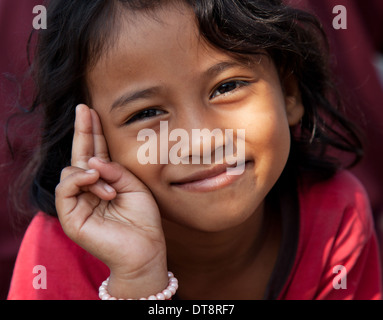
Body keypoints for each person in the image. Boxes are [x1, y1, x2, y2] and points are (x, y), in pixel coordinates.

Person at [7, 0, 382, 300]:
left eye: (227, 87)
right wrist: (138, 278)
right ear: (91, 142)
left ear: (288, 93)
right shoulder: (56, 255)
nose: (201, 141)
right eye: (147, 113)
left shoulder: (336, 218)